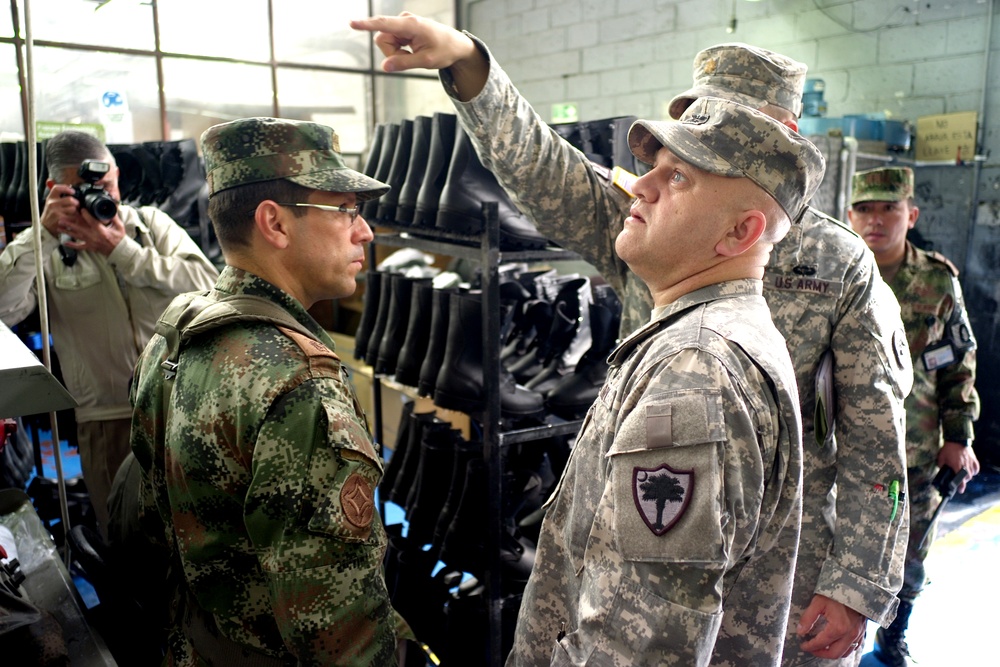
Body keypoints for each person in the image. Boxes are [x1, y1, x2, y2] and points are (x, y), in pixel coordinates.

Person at [350, 15, 913, 664]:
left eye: (706, 149)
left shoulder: (835, 264)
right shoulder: (659, 223)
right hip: (659, 539)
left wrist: (859, 580)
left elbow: (878, 429)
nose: (651, 180)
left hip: (780, 557)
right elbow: (545, 170)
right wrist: (470, 63)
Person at [129, 117, 410, 665]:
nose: (365, 232)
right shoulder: (298, 385)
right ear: (274, 224)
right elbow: (337, 628)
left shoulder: (177, 332)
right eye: (347, 211)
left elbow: (154, 525)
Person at [0, 130, 218, 539]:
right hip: (106, 422)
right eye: (84, 189)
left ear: (118, 176)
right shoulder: (44, 253)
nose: (101, 197)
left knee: (200, 535)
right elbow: (3, 308)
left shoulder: (152, 226)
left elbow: (208, 285)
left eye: (108, 185)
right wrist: (42, 235)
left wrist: (122, 251)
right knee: (128, 540)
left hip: (182, 409)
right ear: (54, 188)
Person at [847, 166, 980, 667]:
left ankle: (893, 635)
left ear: (911, 214)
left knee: (911, 554)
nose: (875, 220)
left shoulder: (936, 279)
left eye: (889, 208)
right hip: (841, 448)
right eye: (865, 208)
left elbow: (958, 363)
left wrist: (959, 436)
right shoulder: (834, 273)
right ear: (849, 214)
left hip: (917, 447)